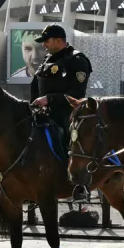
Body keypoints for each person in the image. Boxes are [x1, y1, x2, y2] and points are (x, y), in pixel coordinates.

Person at [29, 24, 92, 153]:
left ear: (58, 41)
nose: (44, 45)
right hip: (43, 112)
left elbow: (77, 93)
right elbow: (36, 84)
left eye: (47, 41)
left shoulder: (77, 60)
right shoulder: (48, 59)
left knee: (71, 141)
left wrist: (49, 99)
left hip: (66, 114)